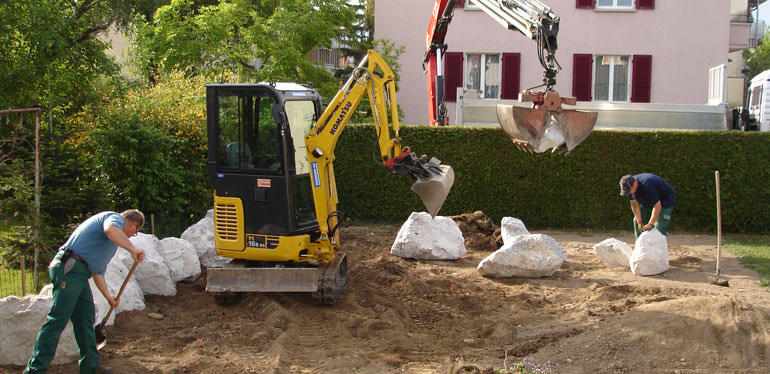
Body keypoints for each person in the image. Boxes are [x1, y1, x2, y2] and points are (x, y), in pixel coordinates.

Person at [25, 210, 146, 374]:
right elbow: (110, 230)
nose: (133, 235)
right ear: (133, 224)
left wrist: (109, 298)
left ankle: (90, 367)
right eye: (136, 231)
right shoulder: (114, 219)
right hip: (69, 267)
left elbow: (98, 272)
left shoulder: (111, 244)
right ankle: (34, 370)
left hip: (80, 274)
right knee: (57, 319)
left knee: (85, 318)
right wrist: (133, 249)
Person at [619, 173, 676, 239]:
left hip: (665, 199)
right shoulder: (629, 189)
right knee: (637, 222)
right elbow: (634, 204)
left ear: (635, 183)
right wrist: (639, 221)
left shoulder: (647, 184)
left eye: (630, 191)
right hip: (647, 200)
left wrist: (651, 223)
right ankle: (640, 246)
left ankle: (658, 247)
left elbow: (657, 205)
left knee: (659, 226)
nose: (629, 193)